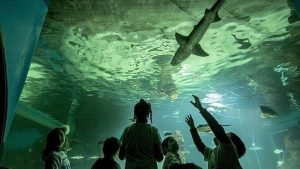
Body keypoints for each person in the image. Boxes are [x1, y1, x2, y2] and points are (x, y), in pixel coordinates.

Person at [185, 95, 246, 169]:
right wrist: (192, 128)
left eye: (227, 135)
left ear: (233, 142)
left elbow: (218, 131)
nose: (224, 135)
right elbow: (200, 146)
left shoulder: (229, 150)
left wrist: (201, 109)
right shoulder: (213, 153)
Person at [119, 99, 163, 169]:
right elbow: (160, 158)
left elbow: (121, 156)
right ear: (148, 113)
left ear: (135, 113)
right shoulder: (153, 130)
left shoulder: (127, 130)